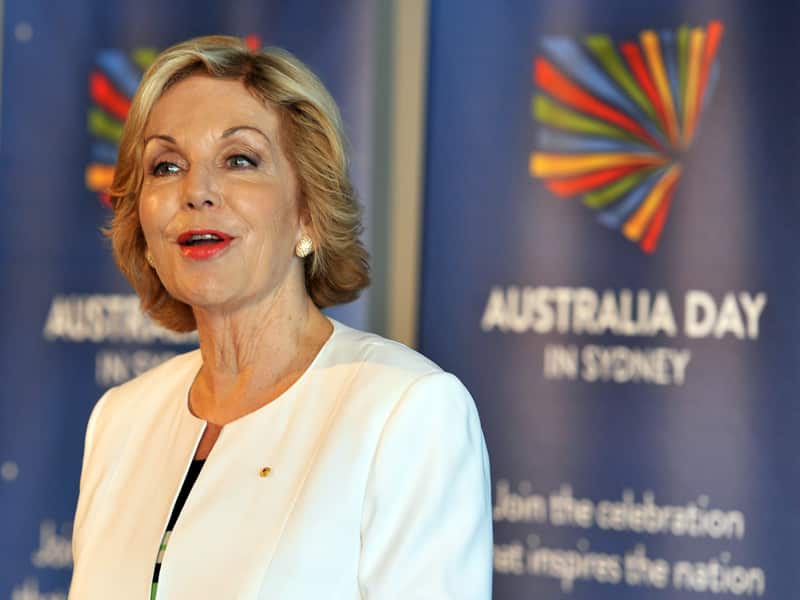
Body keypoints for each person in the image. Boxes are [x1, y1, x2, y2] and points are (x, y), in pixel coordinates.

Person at [68, 35, 492, 599]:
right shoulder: (118, 421)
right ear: (142, 229)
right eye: (166, 166)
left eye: (239, 159)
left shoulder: (407, 413)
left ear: (307, 214)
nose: (197, 190)